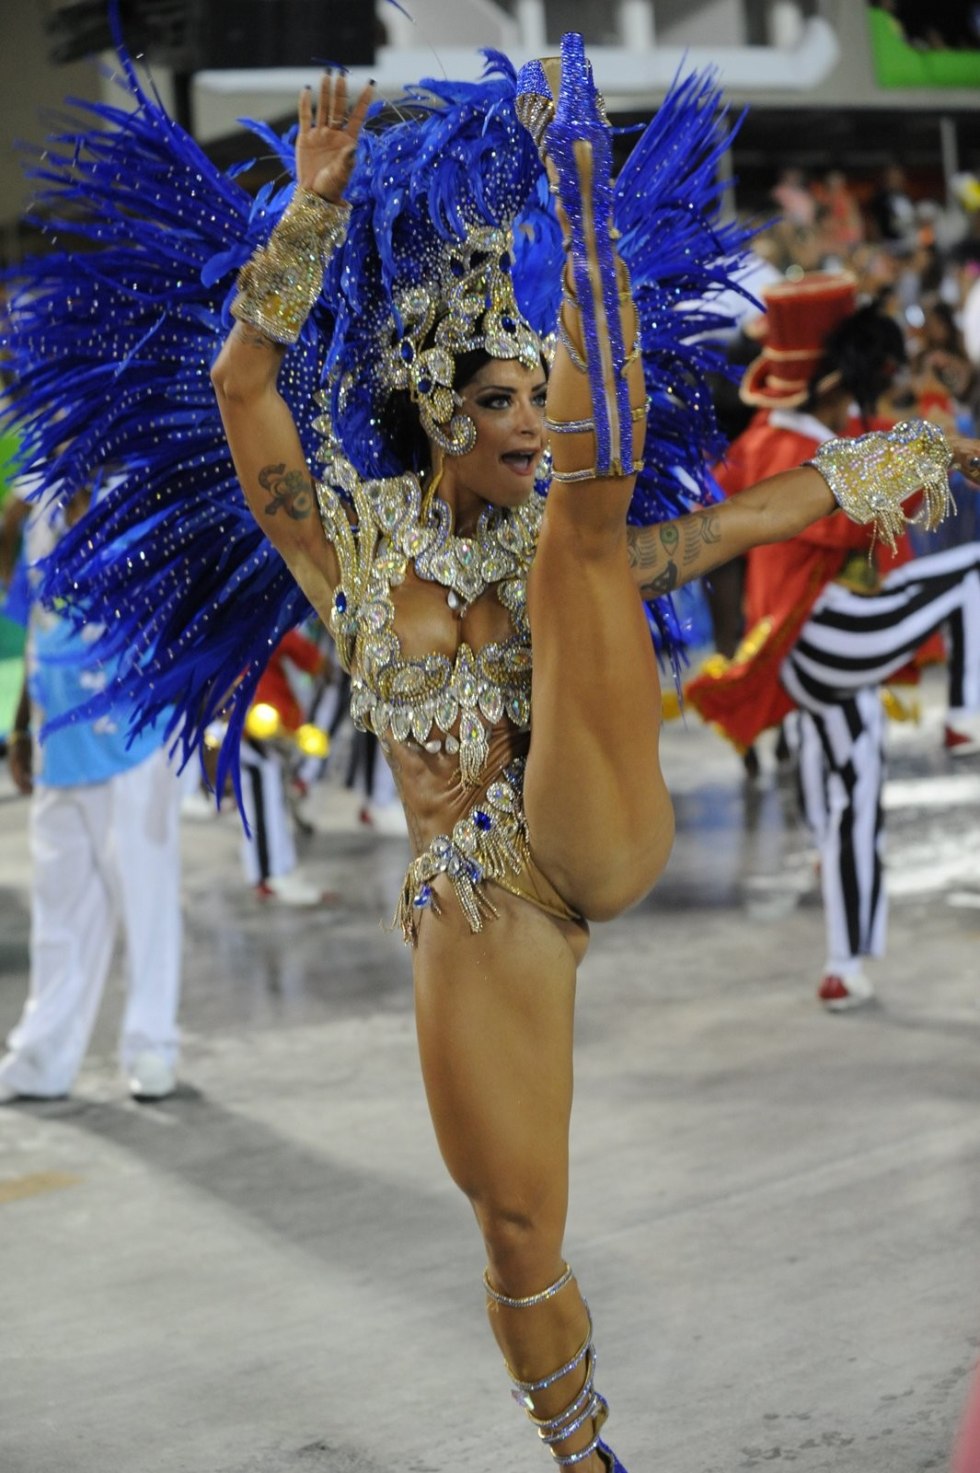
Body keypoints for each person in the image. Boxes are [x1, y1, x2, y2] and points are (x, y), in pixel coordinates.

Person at [206, 43, 980, 1471]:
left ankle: (586, 200)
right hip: (480, 914)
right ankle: (582, 1453)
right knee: (513, 1226)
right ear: (443, 411)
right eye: (497, 402)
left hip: (595, 823)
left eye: (529, 395)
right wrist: (309, 213)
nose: (515, 425)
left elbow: (735, 527)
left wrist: (889, 463)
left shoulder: (558, 530)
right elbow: (245, 391)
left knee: (593, 526)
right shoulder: (350, 555)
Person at [686, 272, 980, 1013]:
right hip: (822, 638)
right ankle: (965, 716)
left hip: (806, 652)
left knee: (846, 780)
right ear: (830, 380)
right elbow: (854, 518)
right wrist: (933, 451)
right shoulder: (795, 447)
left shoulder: (785, 436)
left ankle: (842, 955)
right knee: (973, 571)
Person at [0, 475, 183, 1102]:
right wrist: (21, 725)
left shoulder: (137, 491)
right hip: (59, 741)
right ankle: (42, 1058)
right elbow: (39, 628)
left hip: (133, 739)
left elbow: (181, 612)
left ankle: (151, 1046)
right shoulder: (35, 510)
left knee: (146, 902)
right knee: (59, 911)